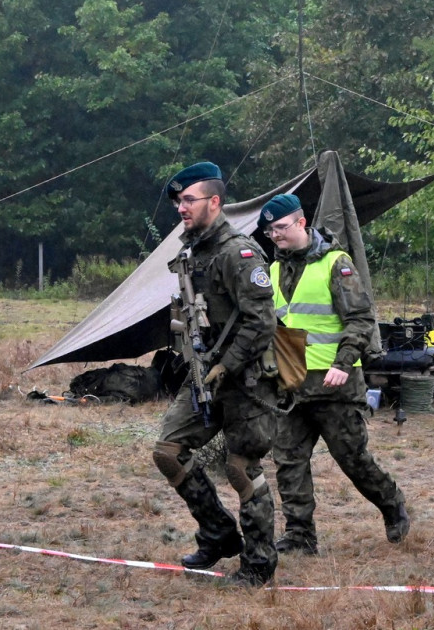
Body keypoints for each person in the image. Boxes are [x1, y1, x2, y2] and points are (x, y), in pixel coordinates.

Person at [150, 162, 279, 586]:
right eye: (179, 201)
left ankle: (259, 563)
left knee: (242, 468)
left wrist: (228, 364)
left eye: (190, 199)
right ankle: (219, 533)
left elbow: (262, 322)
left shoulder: (238, 253)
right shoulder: (194, 250)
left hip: (245, 378)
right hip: (205, 373)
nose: (181, 207)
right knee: (169, 451)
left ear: (215, 202)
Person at [260, 193, 409, 555]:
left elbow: (360, 319)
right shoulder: (274, 270)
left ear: (301, 222)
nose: (275, 235)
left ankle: (391, 503)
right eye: (269, 231)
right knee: (288, 462)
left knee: (352, 458)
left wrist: (343, 364)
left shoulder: (335, 263)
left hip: (334, 385)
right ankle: (300, 535)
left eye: (280, 227)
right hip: (292, 384)